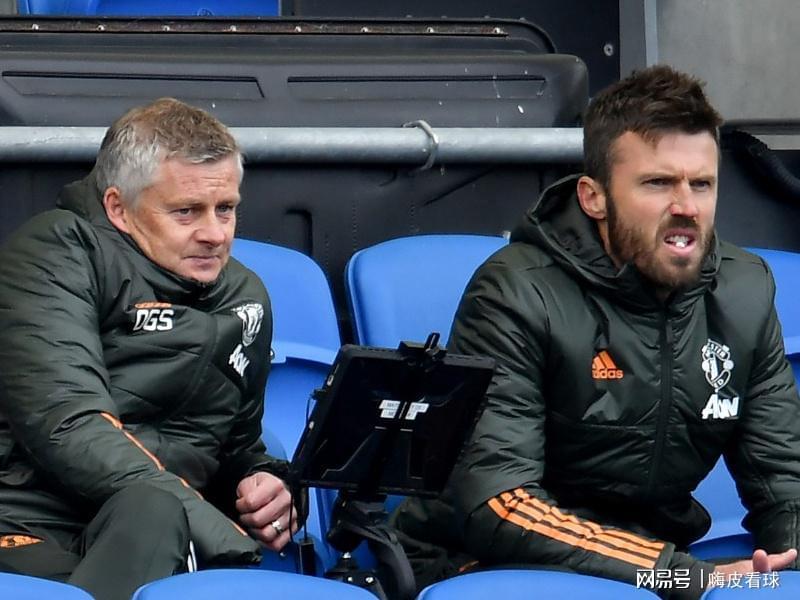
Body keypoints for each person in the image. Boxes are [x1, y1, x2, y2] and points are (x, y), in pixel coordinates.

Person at [392, 65, 800, 598]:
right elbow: (498, 503)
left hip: (653, 567)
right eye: (658, 183)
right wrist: (681, 575)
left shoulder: (744, 291)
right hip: (486, 565)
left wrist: (789, 559)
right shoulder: (516, 290)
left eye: (701, 184)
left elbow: (786, 482)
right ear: (593, 197)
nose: (686, 207)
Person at [0, 98, 300, 600]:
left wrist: (265, 483)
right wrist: (223, 537)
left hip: (165, 536)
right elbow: (69, 424)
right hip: (29, 523)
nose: (214, 234)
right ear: (119, 208)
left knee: (157, 515)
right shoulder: (53, 252)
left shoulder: (245, 296)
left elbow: (236, 445)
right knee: (154, 511)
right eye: (186, 211)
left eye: (226, 209)